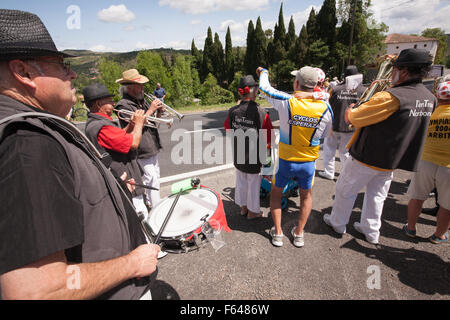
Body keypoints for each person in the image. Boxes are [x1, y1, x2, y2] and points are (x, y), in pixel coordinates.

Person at [0, 9, 160, 300]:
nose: (72, 73)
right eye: (61, 65)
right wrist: (132, 263)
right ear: (23, 72)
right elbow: (37, 292)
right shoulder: (27, 142)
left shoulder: (34, 131)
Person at [323, 48, 436, 245]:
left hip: (369, 154)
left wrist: (352, 109)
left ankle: (337, 223)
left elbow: (355, 118)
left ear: (405, 71)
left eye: (395, 68)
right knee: (377, 196)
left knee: (345, 189)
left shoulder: (391, 96)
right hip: (393, 158)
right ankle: (371, 230)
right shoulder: (429, 98)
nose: (392, 72)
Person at [257, 66, 333, 247]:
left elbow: (264, 88)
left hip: (286, 162)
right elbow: (326, 135)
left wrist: (264, 72)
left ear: (297, 82)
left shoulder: (287, 101)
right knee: (306, 197)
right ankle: (299, 234)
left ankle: (277, 233)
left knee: (275, 194)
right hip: (308, 163)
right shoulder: (326, 108)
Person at [83, 83, 162, 220]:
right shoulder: (101, 127)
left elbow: (120, 137)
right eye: (109, 101)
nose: (113, 103)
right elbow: (133, 143)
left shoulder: (99, 123)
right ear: (98, 104)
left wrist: (131, 125)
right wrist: (138, 123)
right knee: (141, 218)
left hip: (124, 177)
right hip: (125, 179)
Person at [403, 80, 450, 244]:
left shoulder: (430, 113)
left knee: (417, 197)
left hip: (426, 161)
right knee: (447, 205)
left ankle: (410, 227)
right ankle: (439, 235)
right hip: (448, 166)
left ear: (438, 96)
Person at [224, 75, 273, 220]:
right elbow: (268, 137)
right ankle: (253, 212)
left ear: (241, 92)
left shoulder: (233, 110)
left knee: (241, 181)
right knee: (253, 184)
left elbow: (228, 129)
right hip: (254, 155)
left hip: (239, 152)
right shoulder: (261, 112)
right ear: (254, 91)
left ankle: (243, 208)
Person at [116, 70, 163, 209]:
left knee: (156, 177)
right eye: (139, 85)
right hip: (141, 148)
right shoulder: (123, 105)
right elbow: (136, 125)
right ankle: (156, 208)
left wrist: (158, 111)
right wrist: (151, 110)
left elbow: (153, 122)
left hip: (152, 144)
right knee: (151, 178)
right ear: (129, 87)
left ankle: (151, 201)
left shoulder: (141, 101)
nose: (142, 88)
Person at [318, 65, 366, 180]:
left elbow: (326, 105)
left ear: (344, 76)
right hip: (351, 126)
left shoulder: (335, 89)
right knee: (346, 153)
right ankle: (345, 173)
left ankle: (329, 172)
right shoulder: (363, 90)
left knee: (329, 150)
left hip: (333, 125)